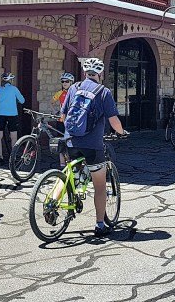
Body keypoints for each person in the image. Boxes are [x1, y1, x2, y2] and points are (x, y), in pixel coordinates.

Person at [60, 58, 127, 237]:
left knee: (69, 174)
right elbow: (113, 120)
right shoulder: (103, 92)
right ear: (100, 74)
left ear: (85, 73)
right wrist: (121, 132)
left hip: (70, 142)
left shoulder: (73, 88)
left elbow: (63, 116)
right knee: (99, 186)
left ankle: (54, 203)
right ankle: (99, 225)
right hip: (92, 145)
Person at [0, 72, 26, 164]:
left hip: (1, 114)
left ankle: (1, 157)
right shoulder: (14, 89)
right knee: (13, 137)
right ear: (10, 81)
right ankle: (13, 157)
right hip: (12, 115)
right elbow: (22, 100)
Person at [51, 72, 74, 166]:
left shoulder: (75, 93)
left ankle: (70, 162)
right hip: (61, 120)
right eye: (63, 81)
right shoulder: (60, 93)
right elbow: (52, 102)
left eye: (67, 81)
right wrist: (55, 112)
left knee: (70, 142)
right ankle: (62, 164)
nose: (64, 83)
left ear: (71, 82)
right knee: (61, 142)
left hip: (71, 121)